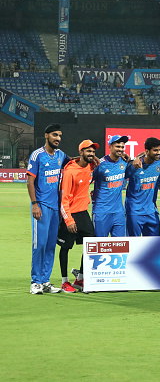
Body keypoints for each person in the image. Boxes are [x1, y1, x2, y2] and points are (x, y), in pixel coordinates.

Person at [26, 124, 69, 294]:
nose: (58, 138)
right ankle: (35, 282)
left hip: (55, 208)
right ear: (46, 136)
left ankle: (46, 281)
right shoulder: (37, 155)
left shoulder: (60, 155)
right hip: (41, 206)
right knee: (40, 244)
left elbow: (73, 162)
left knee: (51, 245)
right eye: (54, 135)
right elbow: (30, 181)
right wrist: (34, 204)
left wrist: (90, 158)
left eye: (59, 135)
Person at [57, 140, 98, 293]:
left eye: (93, 152)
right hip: (70, 213)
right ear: (81, 152)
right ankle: (64, 281)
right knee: (66, 247)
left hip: (83, 212)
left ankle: (80, 278)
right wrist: (68, 220)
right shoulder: (69, 172)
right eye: (88, 151)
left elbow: (93, 163)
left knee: (90, 243)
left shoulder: (90, 166)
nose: (92, 154)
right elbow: (64, 199)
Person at [125, 137, 160, 237]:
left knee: (154, 246)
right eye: (155, 150)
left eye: (159, 150)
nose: (158, 152)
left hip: (151, 211)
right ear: (147, 151)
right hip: (134, 211)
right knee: (133, 245)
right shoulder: (134, 166)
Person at [92, 135, 128, 237]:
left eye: (122, 147)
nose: (120, 149)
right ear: (110, 146)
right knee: (99, 246)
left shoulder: (124, 162)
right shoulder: (100, 164)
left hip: (118, 213)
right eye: (117, 146)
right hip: (101, 211)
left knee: (120, 247)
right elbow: (87, 181)